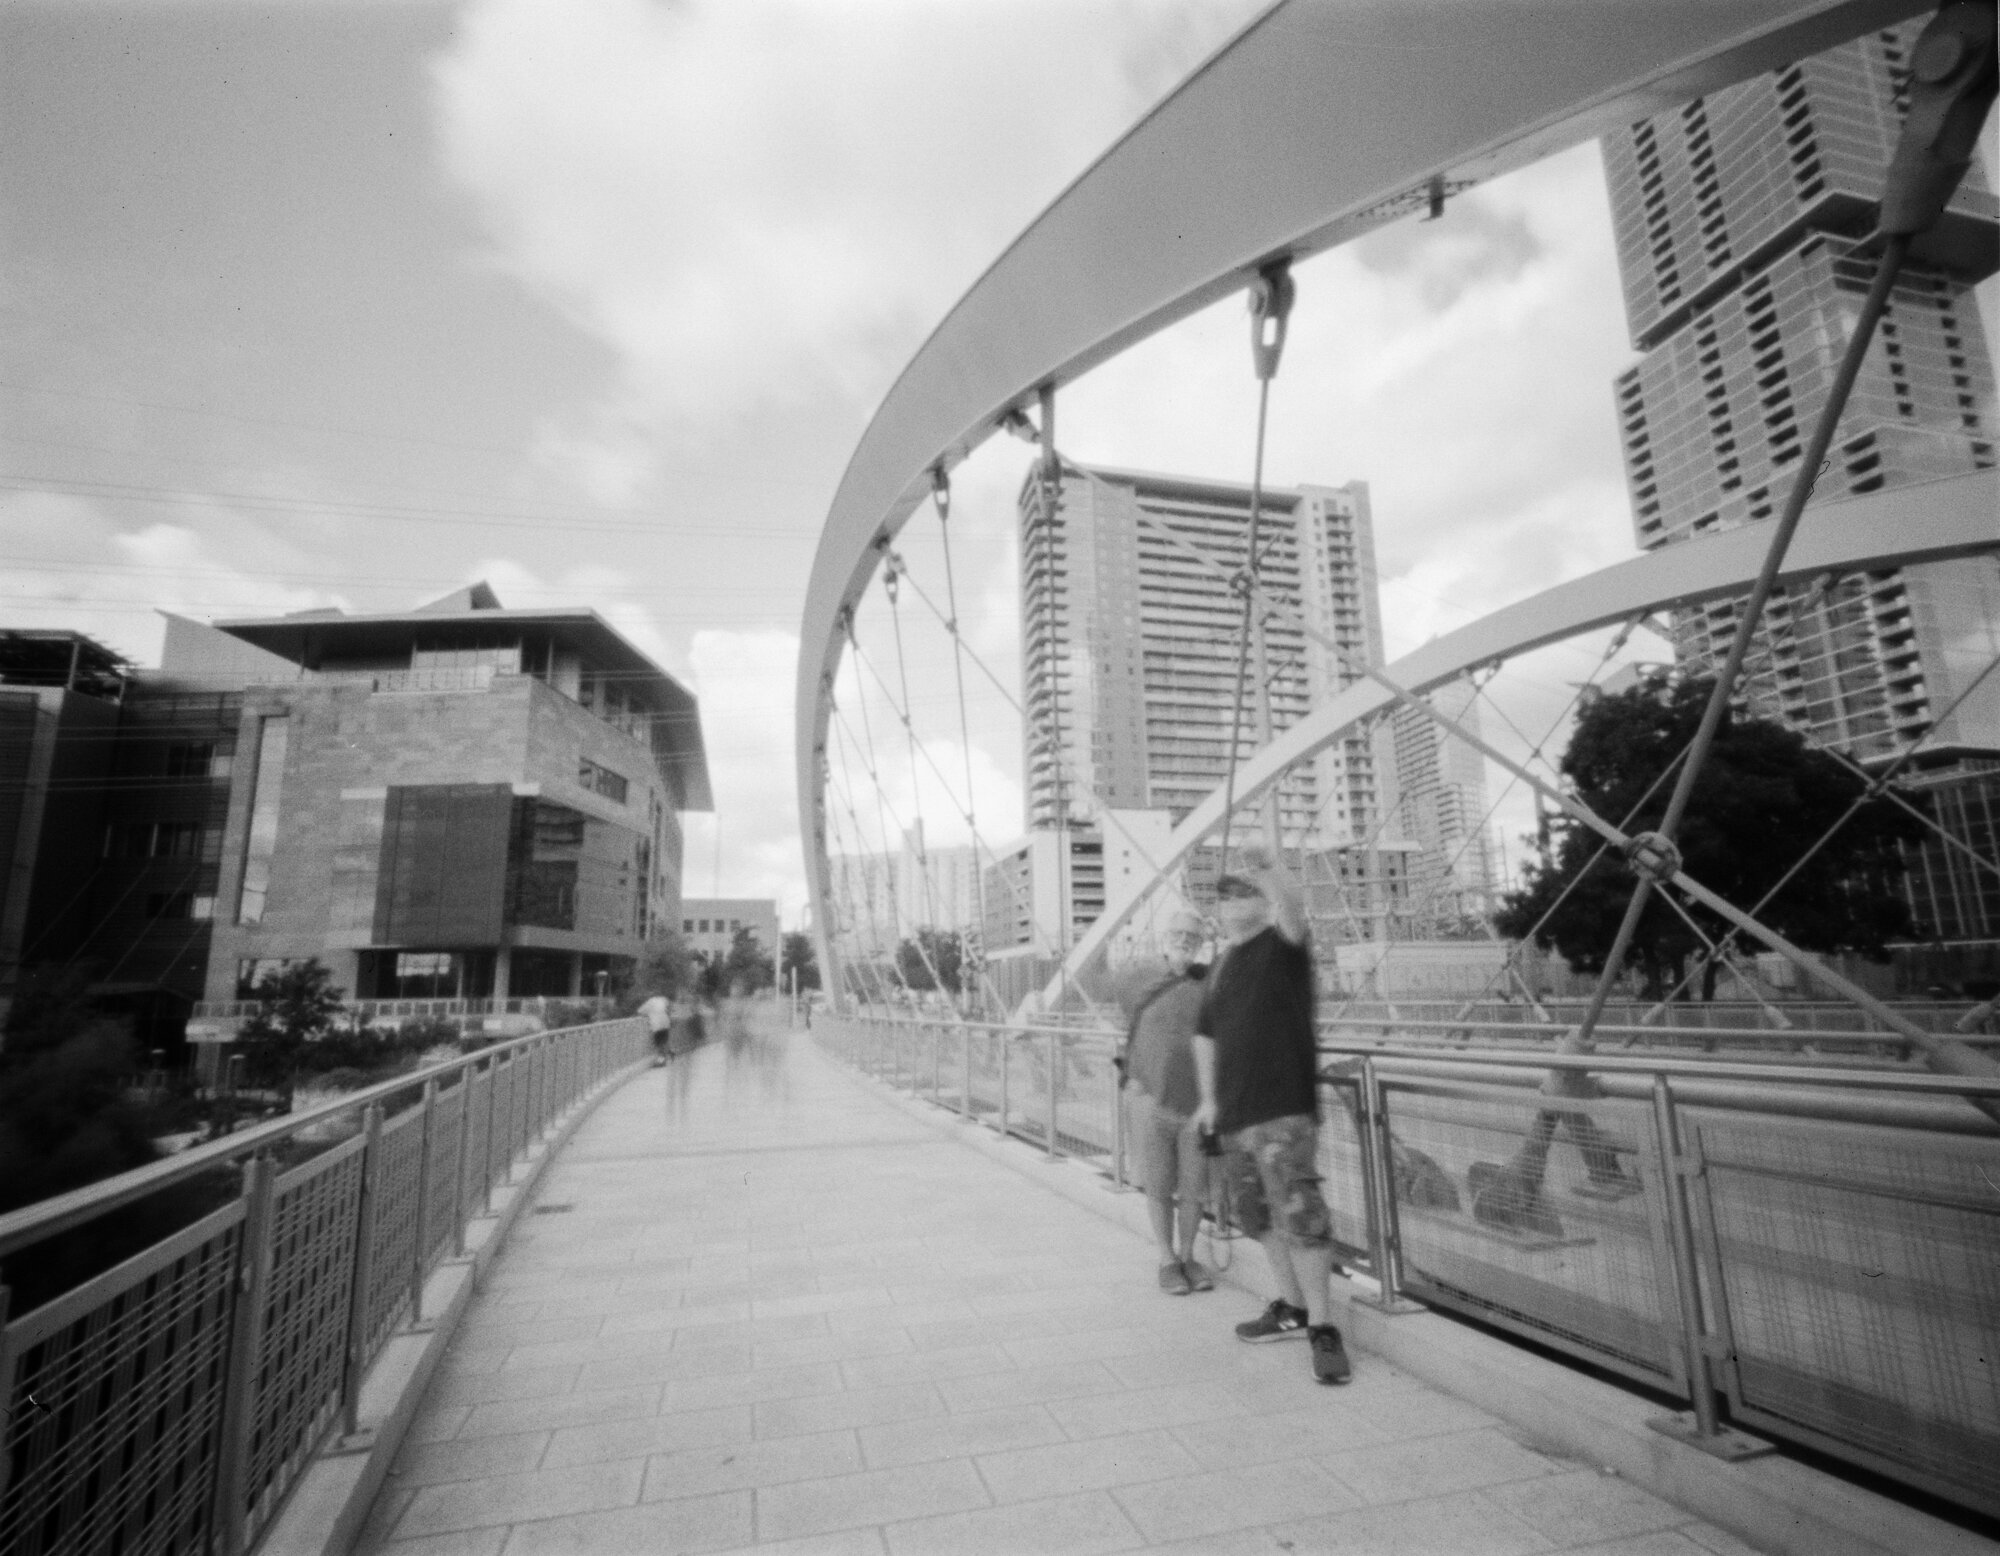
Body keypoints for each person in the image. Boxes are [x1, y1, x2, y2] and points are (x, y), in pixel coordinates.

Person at [1192, 843, 1352, 1385]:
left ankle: (1324, 1328)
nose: (1233, 902)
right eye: (1225, 896)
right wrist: (1210, 1104)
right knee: (1257, 1217)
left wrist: (1267, 870)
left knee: (1301, 1213)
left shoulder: (1284, 945)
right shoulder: (1221, 966)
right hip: (1234, 1116)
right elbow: (1204, 1036)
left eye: (1244, 893)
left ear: (1260, 902)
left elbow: (1293, 908)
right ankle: (1291, 1305)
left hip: (1282, 1108)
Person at [1115, 908, 1216, 1297]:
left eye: (1192, 937)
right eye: (1178, 934)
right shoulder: (1137, 977)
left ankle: (1189, 1256)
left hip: (1194, 1106)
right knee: (1157, 1185)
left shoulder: (1209, 983)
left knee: (1193, 1188)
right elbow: (1127, 1025)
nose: (1184, 941)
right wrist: (1133, 1075)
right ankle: (1166, 1259)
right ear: (1163, 938)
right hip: (1149, 1099)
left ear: (1201, 944)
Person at [639, 991, 672, 1065]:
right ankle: (668, 1055)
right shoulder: (664, 999)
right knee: (664, 1041)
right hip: (666, 1023)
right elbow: (669, 1009)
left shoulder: (650, 1002)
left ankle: (661, 1059)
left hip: (657, 1025)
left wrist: (646, 1014)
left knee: (658, 1043)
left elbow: (641, 1011)